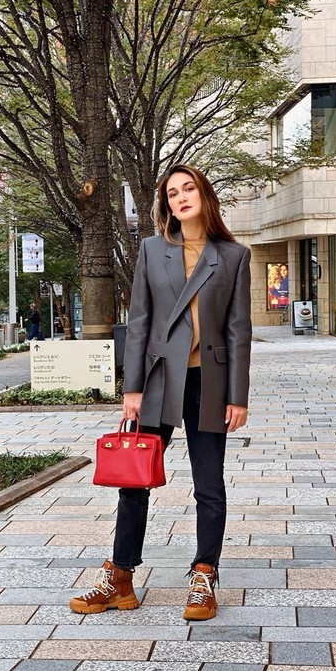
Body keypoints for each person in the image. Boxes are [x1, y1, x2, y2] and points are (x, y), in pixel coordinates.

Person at [70, 164, 252, 621]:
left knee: (209, 484)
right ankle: (120, 577)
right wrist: (131, 387)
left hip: (209, 381)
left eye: (189, 189)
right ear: (166, 204)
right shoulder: (153, 250)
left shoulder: (233, 256)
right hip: (158, 379)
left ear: (204, 195)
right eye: (172, 193)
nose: (181, 197)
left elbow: (238, 331)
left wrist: (238, 395)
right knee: (134, 478)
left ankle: (204, 576)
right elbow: (139, 322)